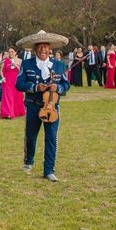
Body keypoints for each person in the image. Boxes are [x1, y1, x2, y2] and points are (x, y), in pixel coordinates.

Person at [15, 30, 70, 182]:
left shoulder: (59, 65)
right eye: (39, 46)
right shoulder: (26, 64)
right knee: (31, 137)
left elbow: (66, 85)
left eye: (45, 46)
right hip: (33, 106)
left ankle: (49, 169)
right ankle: (29, 159)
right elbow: (19, 84)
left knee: (51, 137)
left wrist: (58, 88)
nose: (43, 49)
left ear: (50, 49)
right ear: (35, 48)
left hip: (52, 107)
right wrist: (34, 87)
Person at [0, 47, 25, 119]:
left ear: (15, 52)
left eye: (12, 51)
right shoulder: (5, 61)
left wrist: (15, 64)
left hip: (16, 80)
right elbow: (1, 70)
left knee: (17, 96)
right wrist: (2, 77)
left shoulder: (19, 60)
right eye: (9, 52)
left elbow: (21, 70)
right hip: (7, 80)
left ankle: (17, 111)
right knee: (7, 96)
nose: (11, 53)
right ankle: (8, 113)